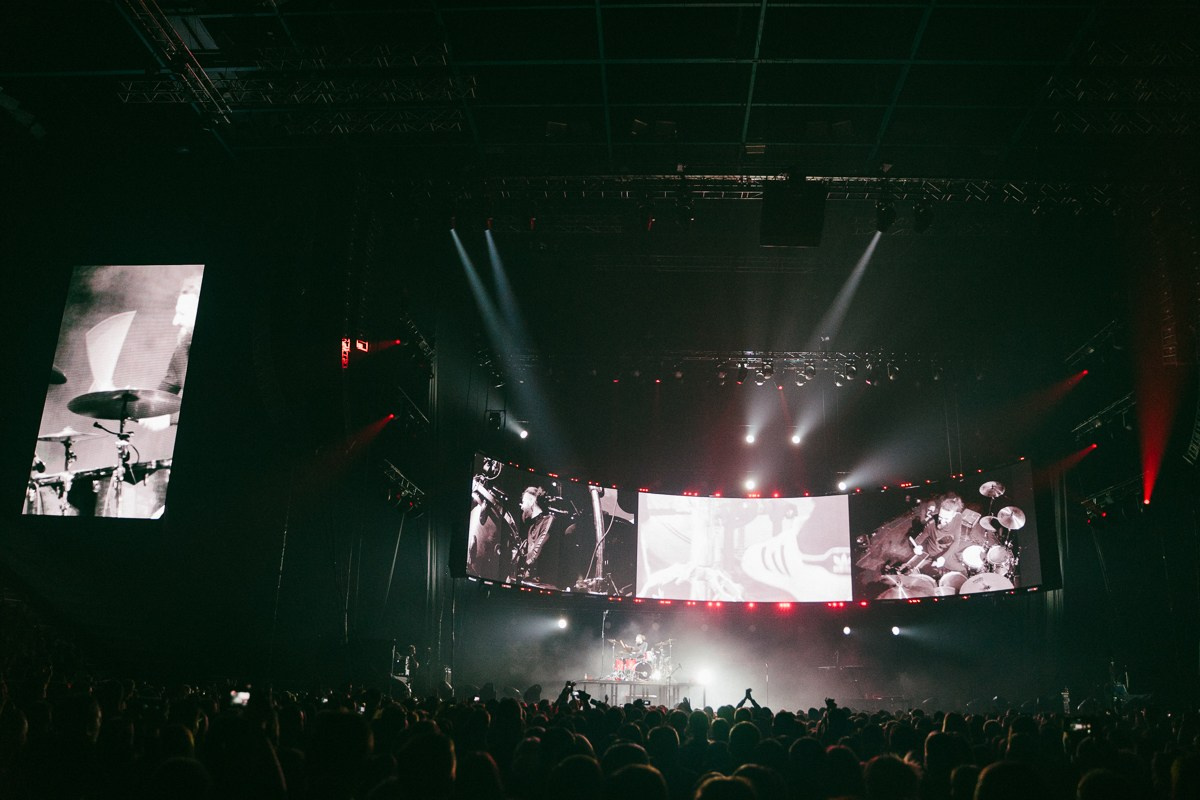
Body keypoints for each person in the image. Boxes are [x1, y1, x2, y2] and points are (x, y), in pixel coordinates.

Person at [141, 272, 201, 432]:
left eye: (182, 313)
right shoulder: (182, 350)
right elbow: (159, 400)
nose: (175, 321)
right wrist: (124, 398)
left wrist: (170, 418)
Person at [518, 485, 562, 587]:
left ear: (532, 502)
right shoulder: (531, 528)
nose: (521, 506)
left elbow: (535, 554)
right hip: (532, 583)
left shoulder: (549, 520)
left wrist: (519, 564)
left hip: (546, 585)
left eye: (524, 502)